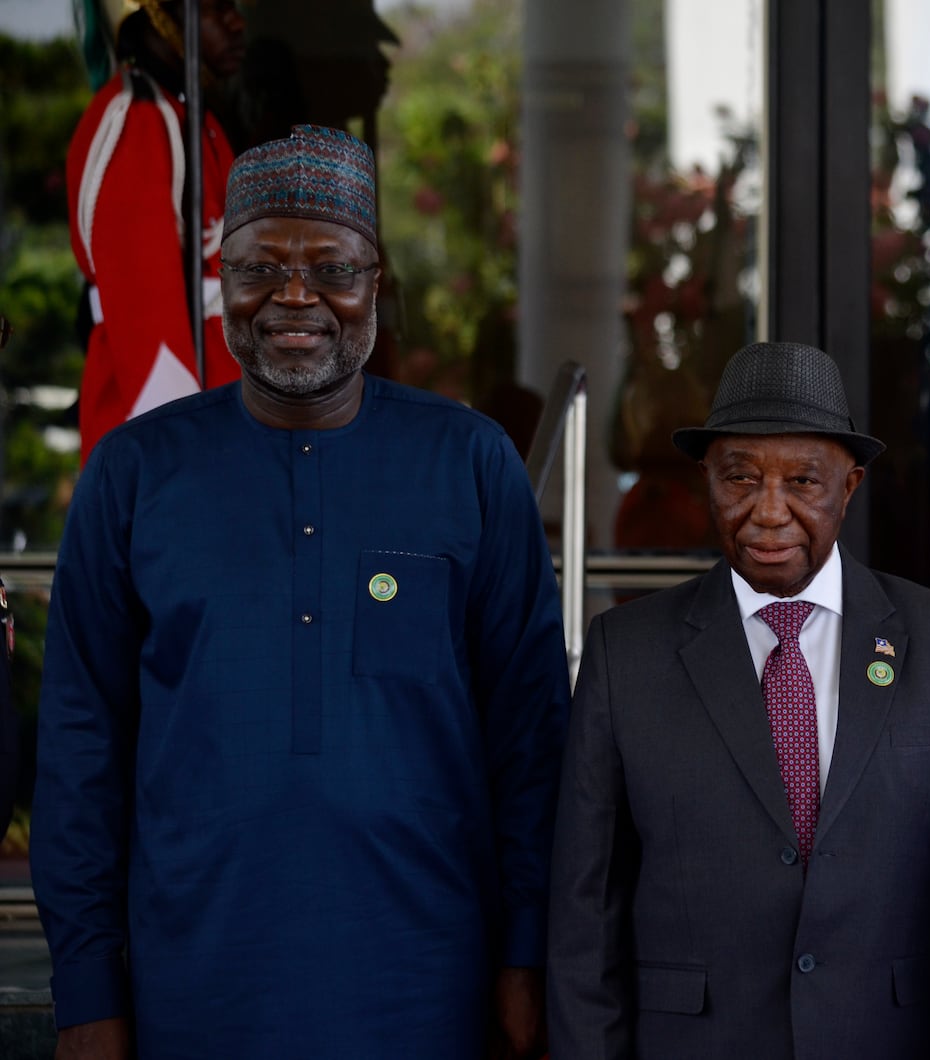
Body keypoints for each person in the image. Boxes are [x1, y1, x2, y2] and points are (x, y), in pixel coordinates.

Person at [32, 124, 570, 1060]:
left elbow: (530, 738)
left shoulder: (472, 464)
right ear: (222, 282)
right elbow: (81, 747)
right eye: (258, 267)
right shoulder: (134, 475)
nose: (294, 296)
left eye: (331, 266)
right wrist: (86, 985)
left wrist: (527, 955)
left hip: (428, 986)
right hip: (191, 989)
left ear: (376, 281)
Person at [548, 340, 930, 1060]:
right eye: (740, 478)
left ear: (850, 485)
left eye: (803, 480)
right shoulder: (625, 654)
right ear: (706, 477)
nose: (769, 512)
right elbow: (586, 909)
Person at [68, 0, 247, 463]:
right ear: (158, 14)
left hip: (221, 411)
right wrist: (176, 452)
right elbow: (142, 308)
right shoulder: (139, 116)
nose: (235, 22)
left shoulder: (195, 118)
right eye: (214, 8)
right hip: (173, 431)